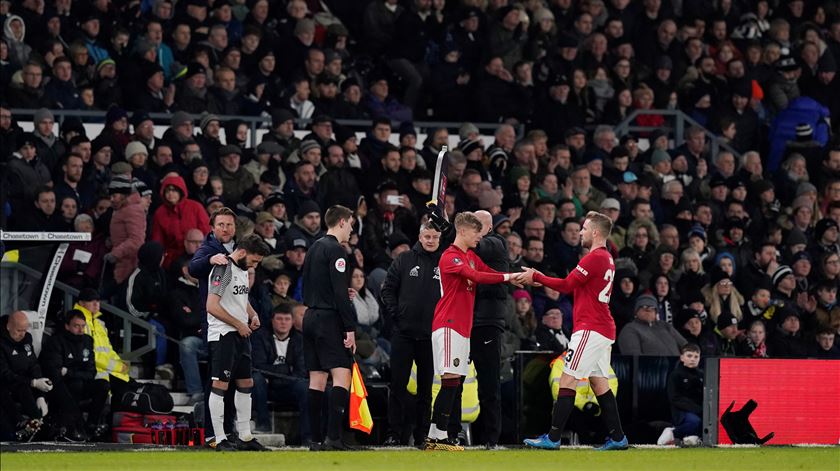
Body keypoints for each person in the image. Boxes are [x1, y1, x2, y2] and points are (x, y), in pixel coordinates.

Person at [522, 211, 628, 451]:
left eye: (585, 228)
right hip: (602, 327)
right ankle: (618, 437)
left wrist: (536, 276)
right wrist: (540, 279)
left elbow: (567, 285)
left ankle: (553, 437)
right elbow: (573, 286)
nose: (581, 232)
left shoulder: (594, 258)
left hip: (590, 328)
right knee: (599, 382)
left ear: (596, 232)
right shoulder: (607, 258)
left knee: (567, 378)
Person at [425, 211, 521, 451]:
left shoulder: (468, 256)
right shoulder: (451, 257)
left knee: (453, 382)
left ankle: (438, 437)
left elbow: (487, 272)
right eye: (477, 232)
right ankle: (436, 437)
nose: (480, 236)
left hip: (462, 328)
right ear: (464, 231)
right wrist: (510, 276)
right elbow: (476, 276)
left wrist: (514, 278)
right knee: (449, 381)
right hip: (448, 324)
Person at [301, 205, 359, 451]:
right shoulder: (337, 250)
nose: (352, 230)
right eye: (351, 224)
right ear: (343, 222)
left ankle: (315, 440)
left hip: (310, 316)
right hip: (328, 319)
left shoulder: (314, 247)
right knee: (342, 374)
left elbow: (311, 283)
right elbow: (338, 292)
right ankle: (333, 438)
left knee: (316, 378)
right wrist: (350, 328)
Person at [206, 234, 271, 451]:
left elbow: (241, 300)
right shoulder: (223, 269)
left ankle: (244, 436)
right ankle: (219, 437)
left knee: (246, 383)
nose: (254, 265)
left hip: (241, 334)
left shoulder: (242, 270)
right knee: (220, 385)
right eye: (254, 260)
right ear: (242, 252)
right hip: (224, 334)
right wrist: (238, 323)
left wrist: (252, 314)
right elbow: (212, 306)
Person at [380, 221, 443, 447]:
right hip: (404, 335)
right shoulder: (404, 260)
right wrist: (397, 316)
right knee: (397, 386)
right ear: (419, 235)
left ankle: (422, 435)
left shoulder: (444, 263)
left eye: (435, 237)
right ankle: (394, 433)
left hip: (430, 337)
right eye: (427, 236)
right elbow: (387, 289)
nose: (431, 240)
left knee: (426, 390)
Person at [188, 206, 237, 446]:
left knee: (234, 381)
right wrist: (209, 259)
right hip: (218, 325)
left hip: (237, 324)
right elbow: (193, 268)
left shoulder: (239, 250)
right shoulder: (208, 249)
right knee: (217, 381)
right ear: (212, 228)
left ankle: (230, 431)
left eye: (229, 225)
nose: (225, 229)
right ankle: (212, 433)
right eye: (221, 225)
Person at [470, 210, 511, 449]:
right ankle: (453, 433)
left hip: (487, 323)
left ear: (487, 227)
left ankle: (491, 438)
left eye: (475, 225)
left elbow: (480, 248)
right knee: (457, 379)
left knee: (488, 382)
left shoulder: (496, 244)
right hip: (468, 321)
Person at [40, 309, 109, 441]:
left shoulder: (88, 341)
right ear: (67, 326)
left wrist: (70, 372)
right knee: (75, 384)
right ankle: (75, 427)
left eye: (83, 326)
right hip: (62, 387)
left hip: (80, 381)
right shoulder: (56, 342)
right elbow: (56, 372)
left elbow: (91, 372)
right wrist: (75, 373)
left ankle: (91, 424)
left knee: (103, 385)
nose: (81, 330)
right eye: (76, 326)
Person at [251, 304, 309, 441]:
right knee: (257, 378)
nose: (283, 322)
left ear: (293, 322)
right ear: (272, 320)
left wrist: (276, 375)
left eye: (287, 319)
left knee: (304, 386)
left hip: (289, 386)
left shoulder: (300, 340)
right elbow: (257, 366)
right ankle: (263, 424)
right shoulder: (260, 336)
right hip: (266, 387)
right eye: (279, 319)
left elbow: (301, 371)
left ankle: (308, 436)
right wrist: (285, 369)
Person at [0, 312, 52, 440]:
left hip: (22, 382)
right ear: (8, 327)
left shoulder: (27, 339)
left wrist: (40, 394)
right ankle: (19, 426)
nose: (22, 334)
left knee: (43, 386)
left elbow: (34, 365)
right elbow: (4, 374)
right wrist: (32, 382)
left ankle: (40, 424)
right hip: (5, 383)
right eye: (19, 330)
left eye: (25, 330)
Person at [661, 343, 703, 447]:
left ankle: (691, 439)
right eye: (689, 356)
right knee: (695, 422)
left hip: (700, 410)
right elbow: (674, 398)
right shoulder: (676, 375)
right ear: (682, 357)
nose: (692, 359)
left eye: (696, 356)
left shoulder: (703, 375)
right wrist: (695, 408)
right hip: (681, 411)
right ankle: (673, 433)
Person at [617, 294, 687, 355]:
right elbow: (634, 358)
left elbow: (685, 346)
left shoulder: (665, 325)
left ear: (656, 312)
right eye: (644, 307)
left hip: (679, 368)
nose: (648, 310)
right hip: (651, 369)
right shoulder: (630, 329)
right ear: (636, 311)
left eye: (652, 308)